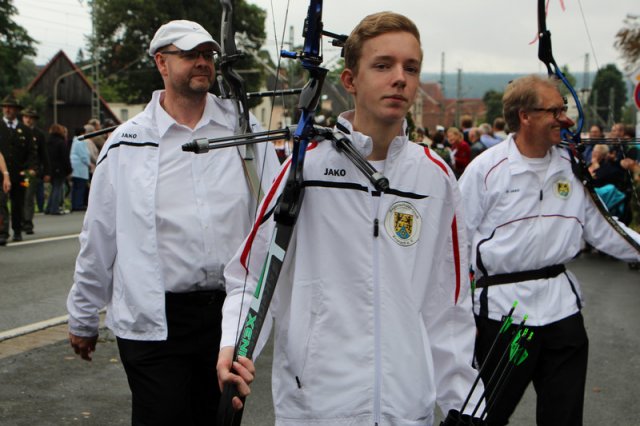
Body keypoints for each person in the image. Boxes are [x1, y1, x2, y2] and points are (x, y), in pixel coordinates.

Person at [218, 12, 483, 425]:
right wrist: (234, 345)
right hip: (316, 408)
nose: (400, 78)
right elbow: (252, 276)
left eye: (411, 68)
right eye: (383, 65)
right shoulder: (304, 169)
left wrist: (464, 404)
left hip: (404, 409)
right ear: (350, 80)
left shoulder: (435, 177)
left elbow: (449, 307)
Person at [66, 19, 279, 425]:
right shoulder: (126, 143)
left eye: (207, 54)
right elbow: (99, 238)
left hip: (228, 313)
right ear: (161, 63)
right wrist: (83, 315)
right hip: (154, 319)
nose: (203, 62)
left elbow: (273, 213)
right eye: (190, 54)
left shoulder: (244, 132)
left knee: (221, 419)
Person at [458, 75, 640, 426]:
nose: (565, 119)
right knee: (485, 416)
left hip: (562, 315)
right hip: (505, 316)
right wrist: (459, 313)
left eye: (563, 108)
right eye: (554, 111)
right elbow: (455, 242)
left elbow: (604, 229)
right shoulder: (486, 169)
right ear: (525, 116)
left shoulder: (571, 168)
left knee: (564, 417)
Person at [0, 94, 37, 245]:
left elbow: (31, 152)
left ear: (16, 110)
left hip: (20, 173)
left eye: (11, 107)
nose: (8, 110)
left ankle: (17, 229)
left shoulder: (25, 130)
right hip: (1, 173)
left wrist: (29, 168)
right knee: (1, 203)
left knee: (18, 203)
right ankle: (2, 232)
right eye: (5, 107)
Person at [21, 107, 50, 233]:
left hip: (31, 171)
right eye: (26, 117)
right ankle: (19, 221)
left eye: (31, 118)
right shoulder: (17, 131)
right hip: (17, 171)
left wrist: (47, 171)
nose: (28, 120)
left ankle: (27, 222)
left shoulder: (38, 134)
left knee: (28, 197)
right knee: (19, 197)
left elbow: (44, 154)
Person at [45, 124, 72, 215]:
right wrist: (69, 170)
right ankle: (54, 208)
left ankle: (49, 207)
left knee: (53, 188)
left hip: (50, 168)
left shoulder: (47, 141)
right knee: (58, 188)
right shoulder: (61, 142)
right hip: (60, 168)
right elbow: (65, 157)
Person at [69, 126, 91, 211]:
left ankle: (74, 204)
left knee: (75, 187)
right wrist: (88, 164)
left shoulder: (75, 141)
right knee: (80, 187)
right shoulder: (80, 141)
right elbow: (83, 155)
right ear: (82, 133)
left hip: (75, 167)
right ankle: (78, 204)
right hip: (80, 167)